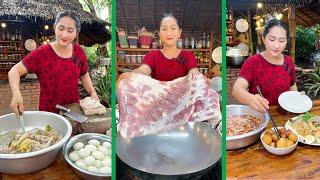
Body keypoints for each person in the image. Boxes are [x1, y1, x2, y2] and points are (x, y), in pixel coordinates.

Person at [8, 10, 98, 116]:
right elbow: (14, 71)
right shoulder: (42, 53)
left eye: (70, 30)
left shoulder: (79, 52)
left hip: (73, 111)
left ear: (76, 34)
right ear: (55, 27)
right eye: (61, 28)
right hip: (49, 113)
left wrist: (92, 92)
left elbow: (84, 75)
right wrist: (16, 92)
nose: (64, 34)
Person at [232, 19, 297, 113]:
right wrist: (250, 99)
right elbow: (236, 90)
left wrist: (296, 102)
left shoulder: (288, 62)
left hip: (284, 115)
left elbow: (292, 84)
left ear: (287, 41)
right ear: (263, 39)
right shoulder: (253, 62)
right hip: (260, 115)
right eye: (272, 39)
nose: (276, 45)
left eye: (282, 41)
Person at [118, 13, 200, 83]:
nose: (169, 33)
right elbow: (144, 70)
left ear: (179, 32)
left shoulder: (188, 56)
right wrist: (132, 74)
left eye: (173, 28)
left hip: (183, 100)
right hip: (158, 99)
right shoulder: (152, 55)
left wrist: (200, 79)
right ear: (159, 34)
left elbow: (194, 74)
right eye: (164, 29)